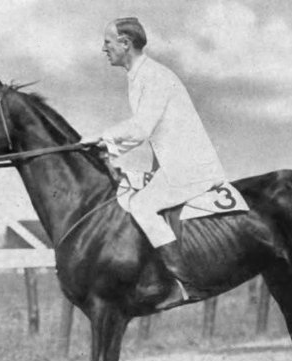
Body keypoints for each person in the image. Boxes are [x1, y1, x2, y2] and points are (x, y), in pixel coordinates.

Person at [81, 17, 226, 299]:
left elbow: (142, 128)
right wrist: (106, 149)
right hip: (170, 166)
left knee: (141, 206)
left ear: (125, 43)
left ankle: (186, 283)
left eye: (107, 42)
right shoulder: (137, 76)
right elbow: (143, 131)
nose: (103, 49)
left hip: (189, 168)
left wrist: (103, 137)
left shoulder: (155, 76)